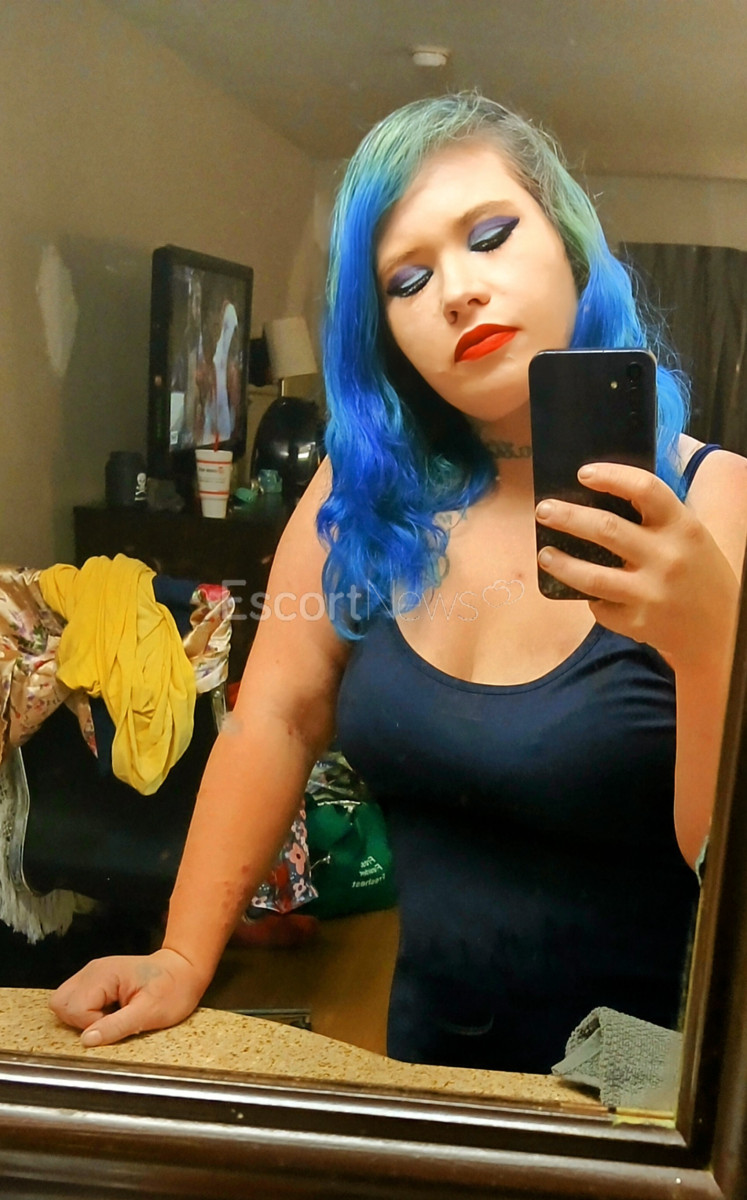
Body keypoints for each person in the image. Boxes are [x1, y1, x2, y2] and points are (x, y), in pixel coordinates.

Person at [51, 93, 747, 1073]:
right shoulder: (365, 492)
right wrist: (180, 953)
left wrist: (712, 642)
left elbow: (717, 872)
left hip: (643, 1094)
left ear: (571, 248)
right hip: (422, 1078)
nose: (456, 292)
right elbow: (276, 716)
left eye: (491, 235)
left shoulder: (716, 498)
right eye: (407, 280)